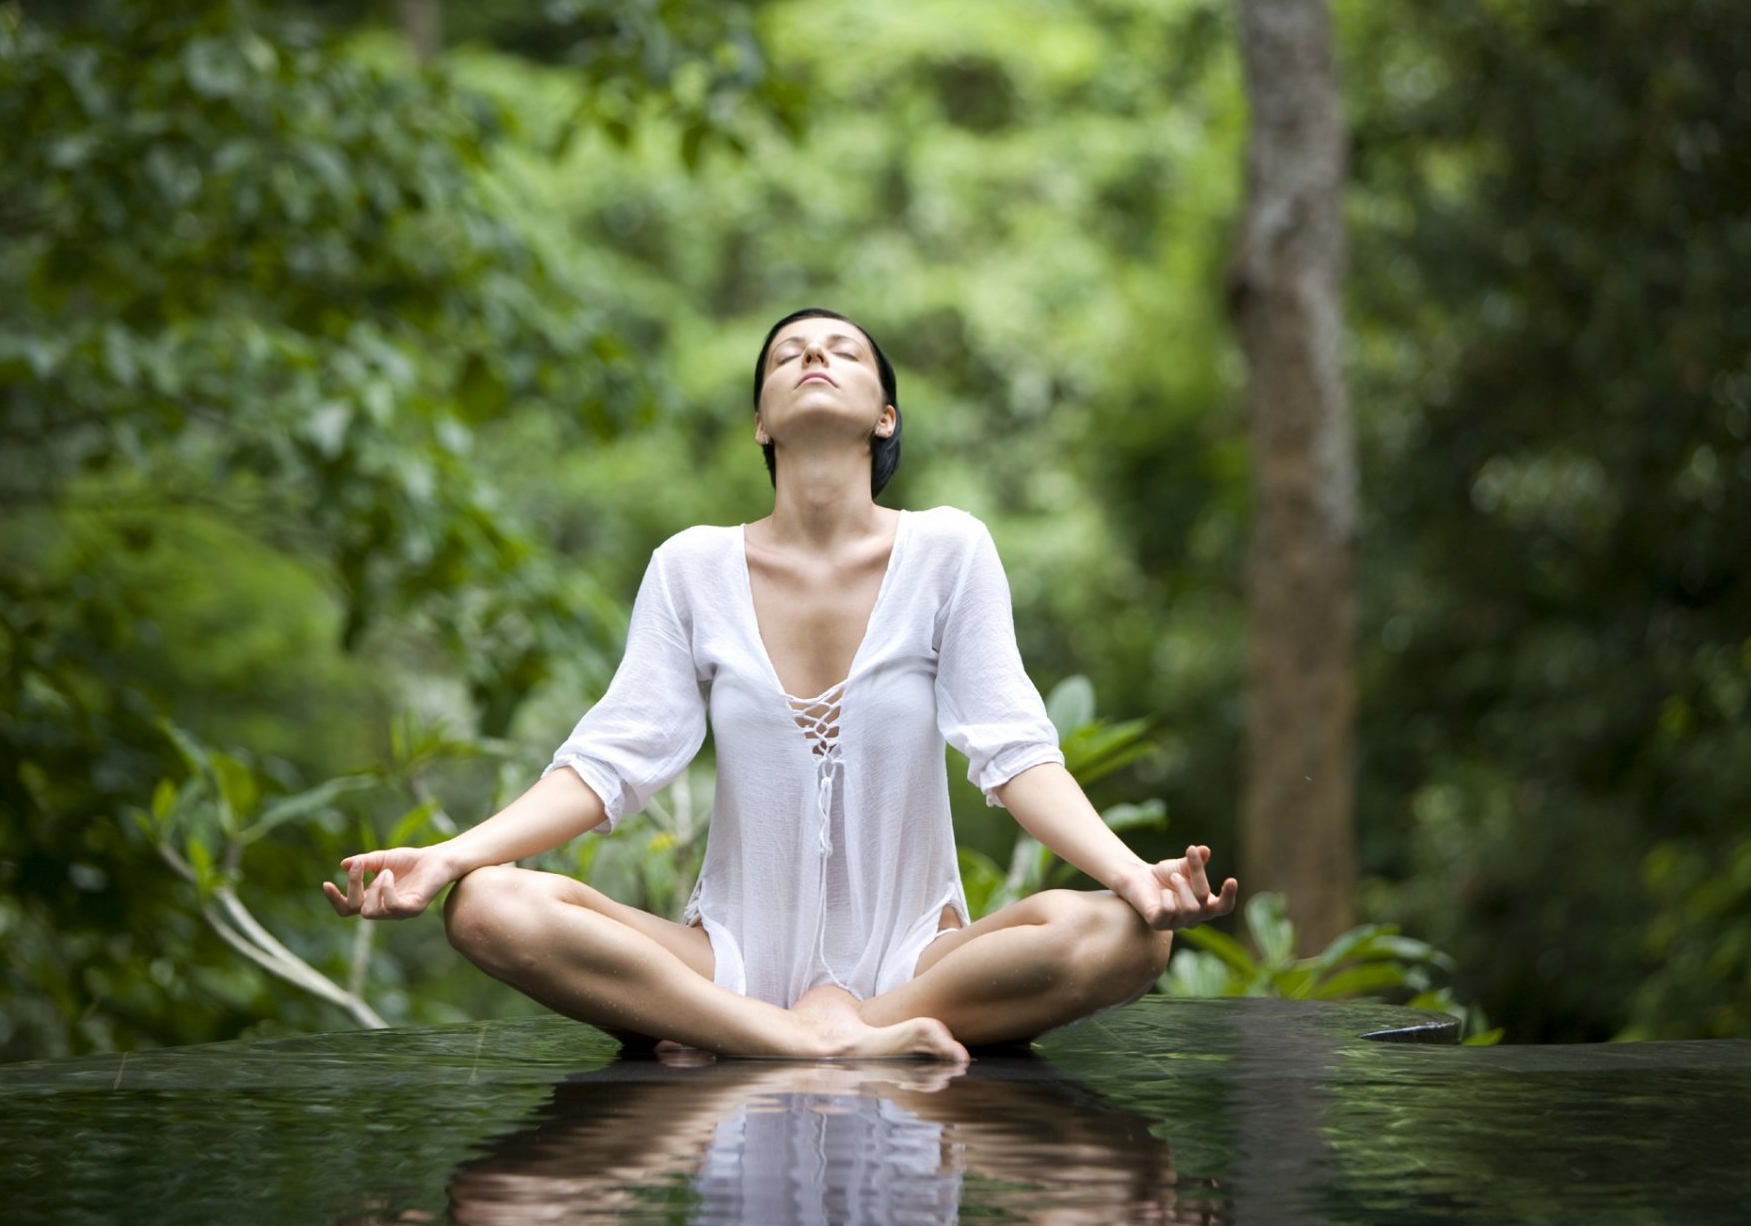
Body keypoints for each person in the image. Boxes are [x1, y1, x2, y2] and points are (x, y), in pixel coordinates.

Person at [323, 308, 1238, 1061]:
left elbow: (1016, 755)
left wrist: (1133, 875)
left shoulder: (949, 551)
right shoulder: (691, 568)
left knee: (1130, 936)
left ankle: (833, 1030)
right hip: (726, 964)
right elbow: (608, 765)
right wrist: (450, 856)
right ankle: (798, 1039)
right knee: (487, 905)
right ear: (761, 421)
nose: (813, 355)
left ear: (885, 415)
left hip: (921, 965)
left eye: (844, 350)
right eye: (788, 352)